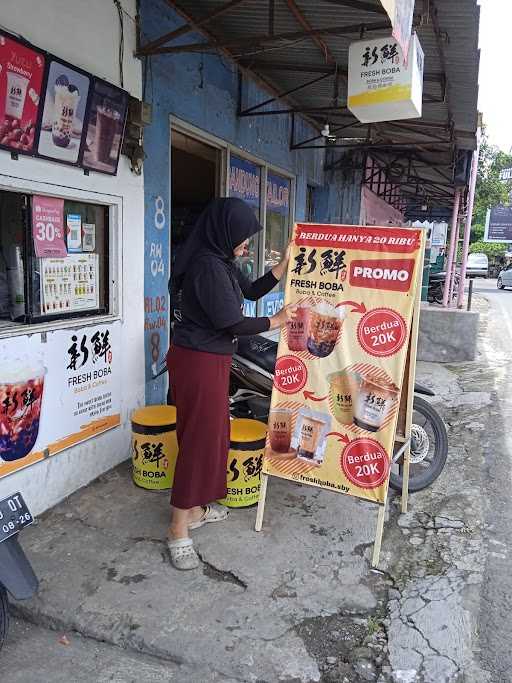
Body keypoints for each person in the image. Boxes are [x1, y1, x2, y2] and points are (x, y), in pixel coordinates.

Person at [166, 197, 295, 570]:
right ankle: (178, 528)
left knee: (209, 436)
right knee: (199, 441)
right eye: (242, 237)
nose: (246, 244)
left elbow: (252, 291)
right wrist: (277, 321)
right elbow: (232, 322)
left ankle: (194, 510)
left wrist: (283, 267)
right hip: (198, 361)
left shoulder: (220, 261)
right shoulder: (207, 267)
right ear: (224, 232)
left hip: (209, 359)